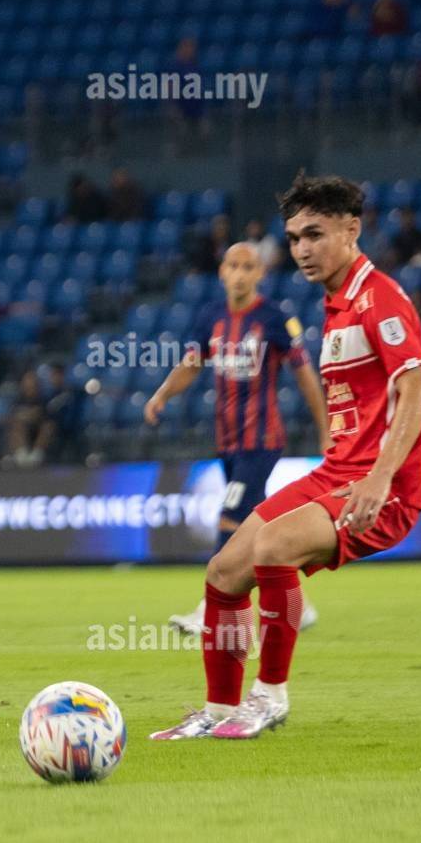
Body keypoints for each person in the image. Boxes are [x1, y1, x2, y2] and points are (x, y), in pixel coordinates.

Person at [151, 174, 421, 740]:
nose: (303, 249)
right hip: (337, 473)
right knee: (223, 571)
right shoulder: (333, 303)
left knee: (275, 546)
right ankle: (220, 710)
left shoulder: (378, 297)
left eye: (315, 234)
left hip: (382, 488)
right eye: (294, 238)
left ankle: (270, 696)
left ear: (351, 230)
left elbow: (420, 386)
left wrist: (380, 477)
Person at [145, 242, 331, 637]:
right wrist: (162, 394)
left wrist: (324, 429)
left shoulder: (274, 318)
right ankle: (300, 606)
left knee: (229, 517)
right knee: (259, 528)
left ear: (260, 273)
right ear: (222, 272)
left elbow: (304, 376)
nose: (241, 274)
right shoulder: (211, 317)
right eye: (234, 265)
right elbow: (191, 365)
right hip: (228, 441)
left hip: (262, 440)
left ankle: (209, 608)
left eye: (249, 267)